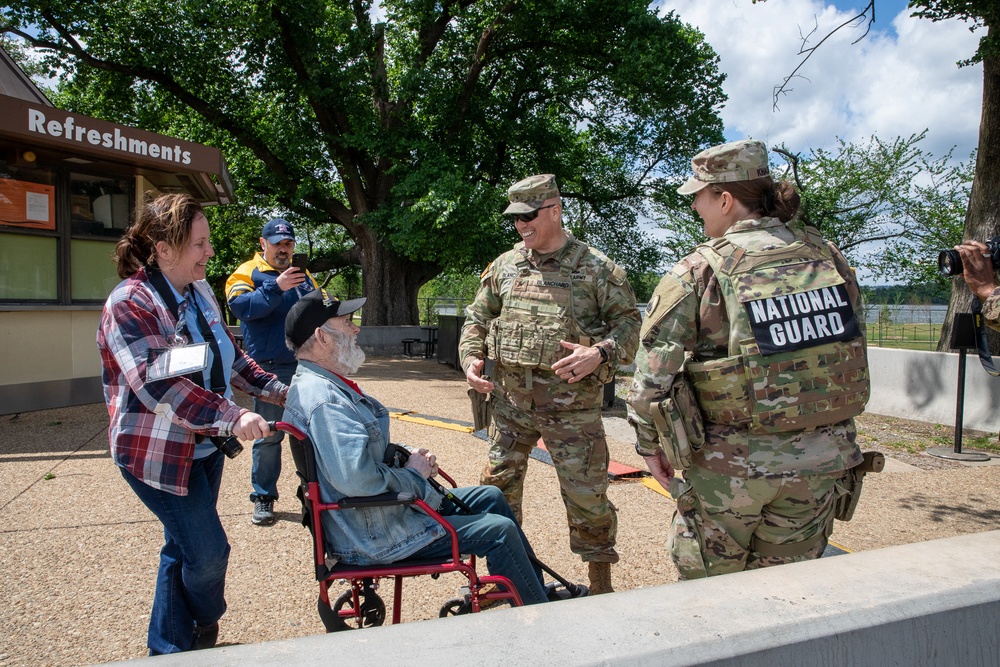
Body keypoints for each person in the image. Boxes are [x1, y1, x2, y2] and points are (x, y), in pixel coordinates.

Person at [626, 139, 871, 580]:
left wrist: (650, 446)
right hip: (821, 464)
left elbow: (650, 383)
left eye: (698, 197)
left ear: (724, 198)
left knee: (710, 598)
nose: (696, 208)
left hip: (730, 471)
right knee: (788, 592)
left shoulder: (697, 271)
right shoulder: (827, 255)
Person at [281, 289, 562, 605]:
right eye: (347, 322)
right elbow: (357, 480)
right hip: (373, 534)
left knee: (491, 497)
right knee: (498, 530)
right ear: (322, 337)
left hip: (374, 516)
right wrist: (413, 475)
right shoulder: (325, 400)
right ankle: (538, 611)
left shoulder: (323, 385)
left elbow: (358, 456)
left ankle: (523, 590)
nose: (356, 328)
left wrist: (406, 455)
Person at [97, 194, 286, 654]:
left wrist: (279, 390)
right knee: (208, 554)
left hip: (204, 449)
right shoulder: (130, 303)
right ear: (164, 248)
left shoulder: (198, 292)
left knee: (181, 548)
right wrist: (234, 414)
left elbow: (230, 358)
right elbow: (160, 386)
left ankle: (167, 648)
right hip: (158, 454)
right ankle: (206, 620)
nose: (210, 252)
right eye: (200, 243)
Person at [459, 174, 641, 595]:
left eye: (529, 216)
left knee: (587, 498)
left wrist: (599, 352)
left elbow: (631, 327)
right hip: (509, 403)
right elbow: (477, 318)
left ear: (555, 211)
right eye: (515, 219)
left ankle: (600, 586)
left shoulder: (596, 268)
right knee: (497, 489)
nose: (521, 226)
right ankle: (503, 581)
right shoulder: (506, 265)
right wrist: (471, 358)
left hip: (572, 410)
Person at [225, 218, 318, 526]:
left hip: (305, 365)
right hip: (267, 368)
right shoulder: (245, 273)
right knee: (268, 435)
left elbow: (321, 307)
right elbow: (243, 308)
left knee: (311, 434)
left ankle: (313, 493)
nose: (283, 250)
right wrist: (275, 287)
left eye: (288, 244)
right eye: (277, 244)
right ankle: (264, 497)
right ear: (262, 244)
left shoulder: (304, 277)